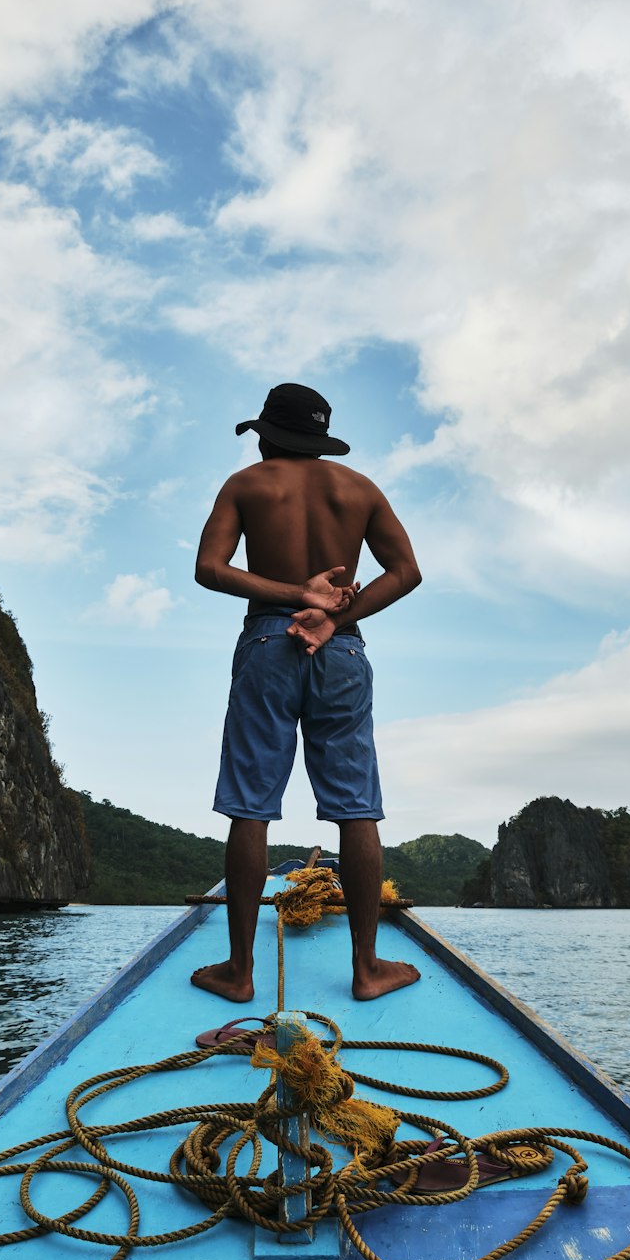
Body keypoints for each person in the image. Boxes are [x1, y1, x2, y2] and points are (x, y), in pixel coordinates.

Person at [192, 382, 423, 1002]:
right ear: (318, 440)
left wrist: (297, 596)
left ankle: (239, 973)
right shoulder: (360, 490)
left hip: (269, 640)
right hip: (341, 649)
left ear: (267, 432)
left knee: (250, 804)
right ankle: (368, 970)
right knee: (356, 807)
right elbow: (407, 572)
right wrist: (334, 616)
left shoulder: (248, 485)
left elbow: (210, 568)